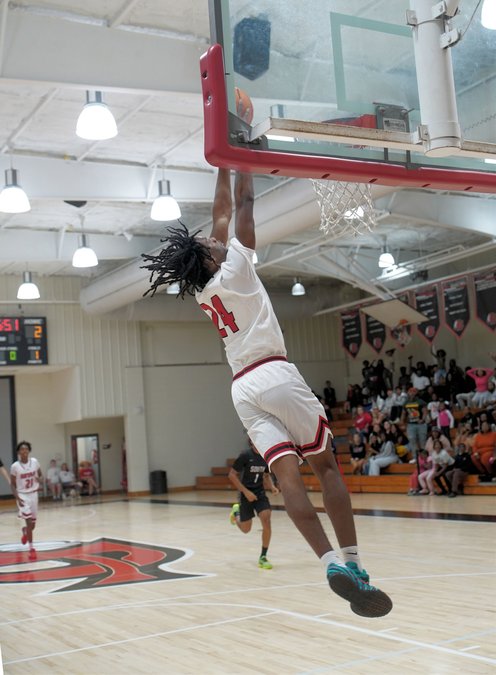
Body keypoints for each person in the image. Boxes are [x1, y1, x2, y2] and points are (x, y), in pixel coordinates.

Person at [141, 167, 392, 618]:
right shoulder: (236, 266)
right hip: (274, 373)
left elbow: (220, 214)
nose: (215, 238)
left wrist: (221, 164)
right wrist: (242, 161)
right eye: (210, 243)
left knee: (288, 480)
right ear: (212, 259)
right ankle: (354, 561)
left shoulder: (205, 291)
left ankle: (329, 564)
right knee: (326, 468)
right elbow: (241, 206)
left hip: (242, 389)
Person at [228, 439, 280, 569]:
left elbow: (266, 475)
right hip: (245, 494)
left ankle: (263, 557)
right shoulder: (245, 455)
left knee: (266, 519)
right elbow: (232, 475)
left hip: (259, 493)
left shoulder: (265, 456)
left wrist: (272, 487)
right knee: (246, 529)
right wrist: (246, 492)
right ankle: (236, 512)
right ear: (252, 442)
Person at [10, 441, 42, 560]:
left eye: (26, 449)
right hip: (23, 495)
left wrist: (40, 479)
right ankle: (31, 549)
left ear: (29, 451)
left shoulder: (34, 462)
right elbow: (12, 484)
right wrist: (17, 497)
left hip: (34, 494)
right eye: (22, 449)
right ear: (18, 452)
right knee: (28, 522)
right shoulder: (15, 466)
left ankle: (25, 532)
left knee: (32, 526)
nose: (24, 451)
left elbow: (40, 475)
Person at [402, 388, 428, 463]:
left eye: (413, 392)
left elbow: (425, 412)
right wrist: (402, 421)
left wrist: (422, 419)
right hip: (410, 424)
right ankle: (415, 457)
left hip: (421, 424)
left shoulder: (420, 401)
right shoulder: (406, 402)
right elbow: (403, 413)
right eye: (410, 391)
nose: (412, 393)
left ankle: (424, 458)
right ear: (408, 393)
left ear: (416, 393)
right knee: (412, 440)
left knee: (422, 441)